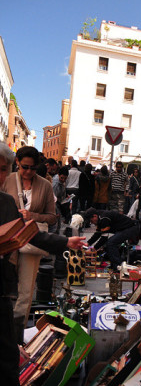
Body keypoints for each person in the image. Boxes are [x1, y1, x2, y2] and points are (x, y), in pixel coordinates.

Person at [0, 141, 87, 386]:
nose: (0, 176)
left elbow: (30, 234)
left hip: (1, 289)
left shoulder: (6, 203)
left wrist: (66, 242)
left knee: (7, 356)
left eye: (3, 170)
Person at [3, 146, 57, 340]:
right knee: (6, 289)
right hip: (7, 242)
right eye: (25, 167)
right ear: (17, 162)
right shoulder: (6, 180)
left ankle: (16, 337)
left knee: (26, 292)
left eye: (33, 168)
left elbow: (52, 217)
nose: (28, 171)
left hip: (31, 242)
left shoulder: (45, 185)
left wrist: (32, 215)